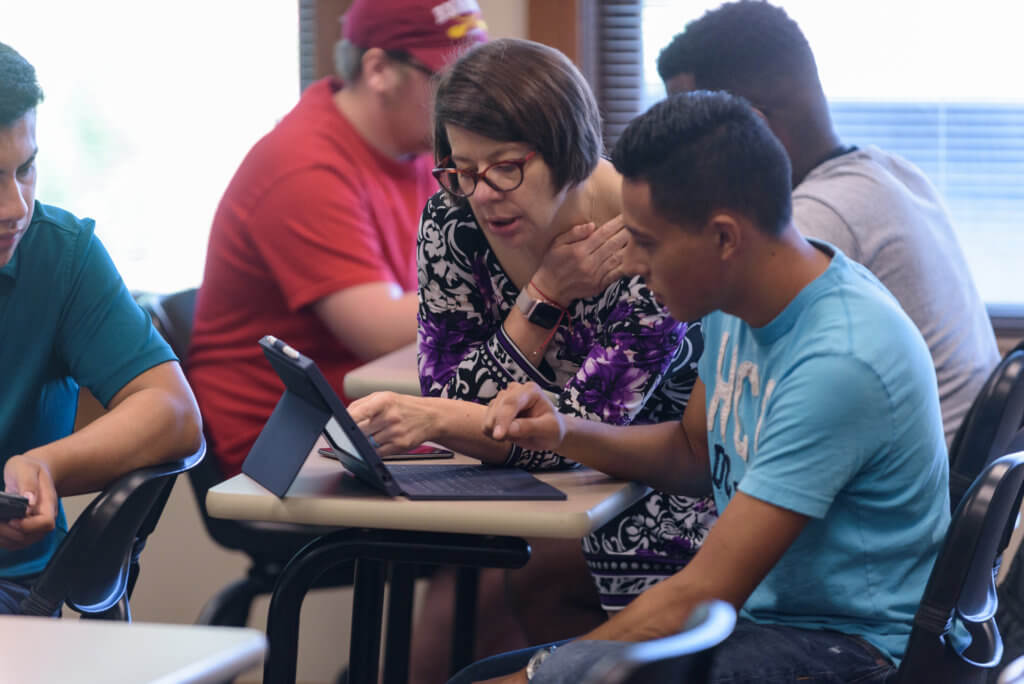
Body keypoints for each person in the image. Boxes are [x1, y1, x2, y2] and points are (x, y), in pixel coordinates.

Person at [455, 90, 950, 684]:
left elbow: (704, 590)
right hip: (769, 623)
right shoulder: (739, 297)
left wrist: (549, 674)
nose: (632, 263)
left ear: (723, 237)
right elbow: (694, 453)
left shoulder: (842, 360)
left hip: (853, 652)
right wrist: (563, 430)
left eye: (647, 241)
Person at [347, 38, 710, 677]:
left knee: (511, 596)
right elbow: (451, 391)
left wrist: (435, 422)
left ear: (568, 148)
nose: (482, 192)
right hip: (568, 506)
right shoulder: (453, 219)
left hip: (677, 510)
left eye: (506, 166)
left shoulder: (647, 235)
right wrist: (543, 296)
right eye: (461, 167)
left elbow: (582, 431)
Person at [657, 0, 999, 445]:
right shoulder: (889, 171)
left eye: (687, 134)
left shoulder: (812, 221)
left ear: (753, 129)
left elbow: (709, 423)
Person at [186, 0, 488, 477]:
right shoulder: (303, 165)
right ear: (379, 70)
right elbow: (379, 331)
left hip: (372, 414)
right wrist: (527, 295)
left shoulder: (416, 148)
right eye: (445, 82)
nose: (469, 101)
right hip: (288, 444)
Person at [0, 43, 202, 613]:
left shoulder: (60, 254)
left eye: (26, 169)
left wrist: (48, 464)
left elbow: (175, 413)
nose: (15, 206)